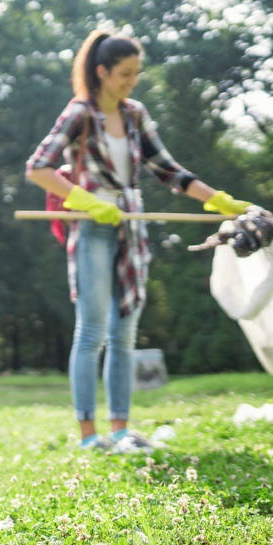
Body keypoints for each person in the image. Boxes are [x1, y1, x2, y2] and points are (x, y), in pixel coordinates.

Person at [25, 30, 254, 453]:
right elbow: (38, 167)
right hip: (92, 226)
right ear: (102, 72)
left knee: (124, 334)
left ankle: (120, 430)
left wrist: (217, 200)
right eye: (124, 73)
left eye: (136, 73)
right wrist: (85, 200)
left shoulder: (135, 115)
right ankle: (89, 436)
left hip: (131, 228)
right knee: (91, 332)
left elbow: (168, 170)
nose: (132, 80)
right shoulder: (80, 113)